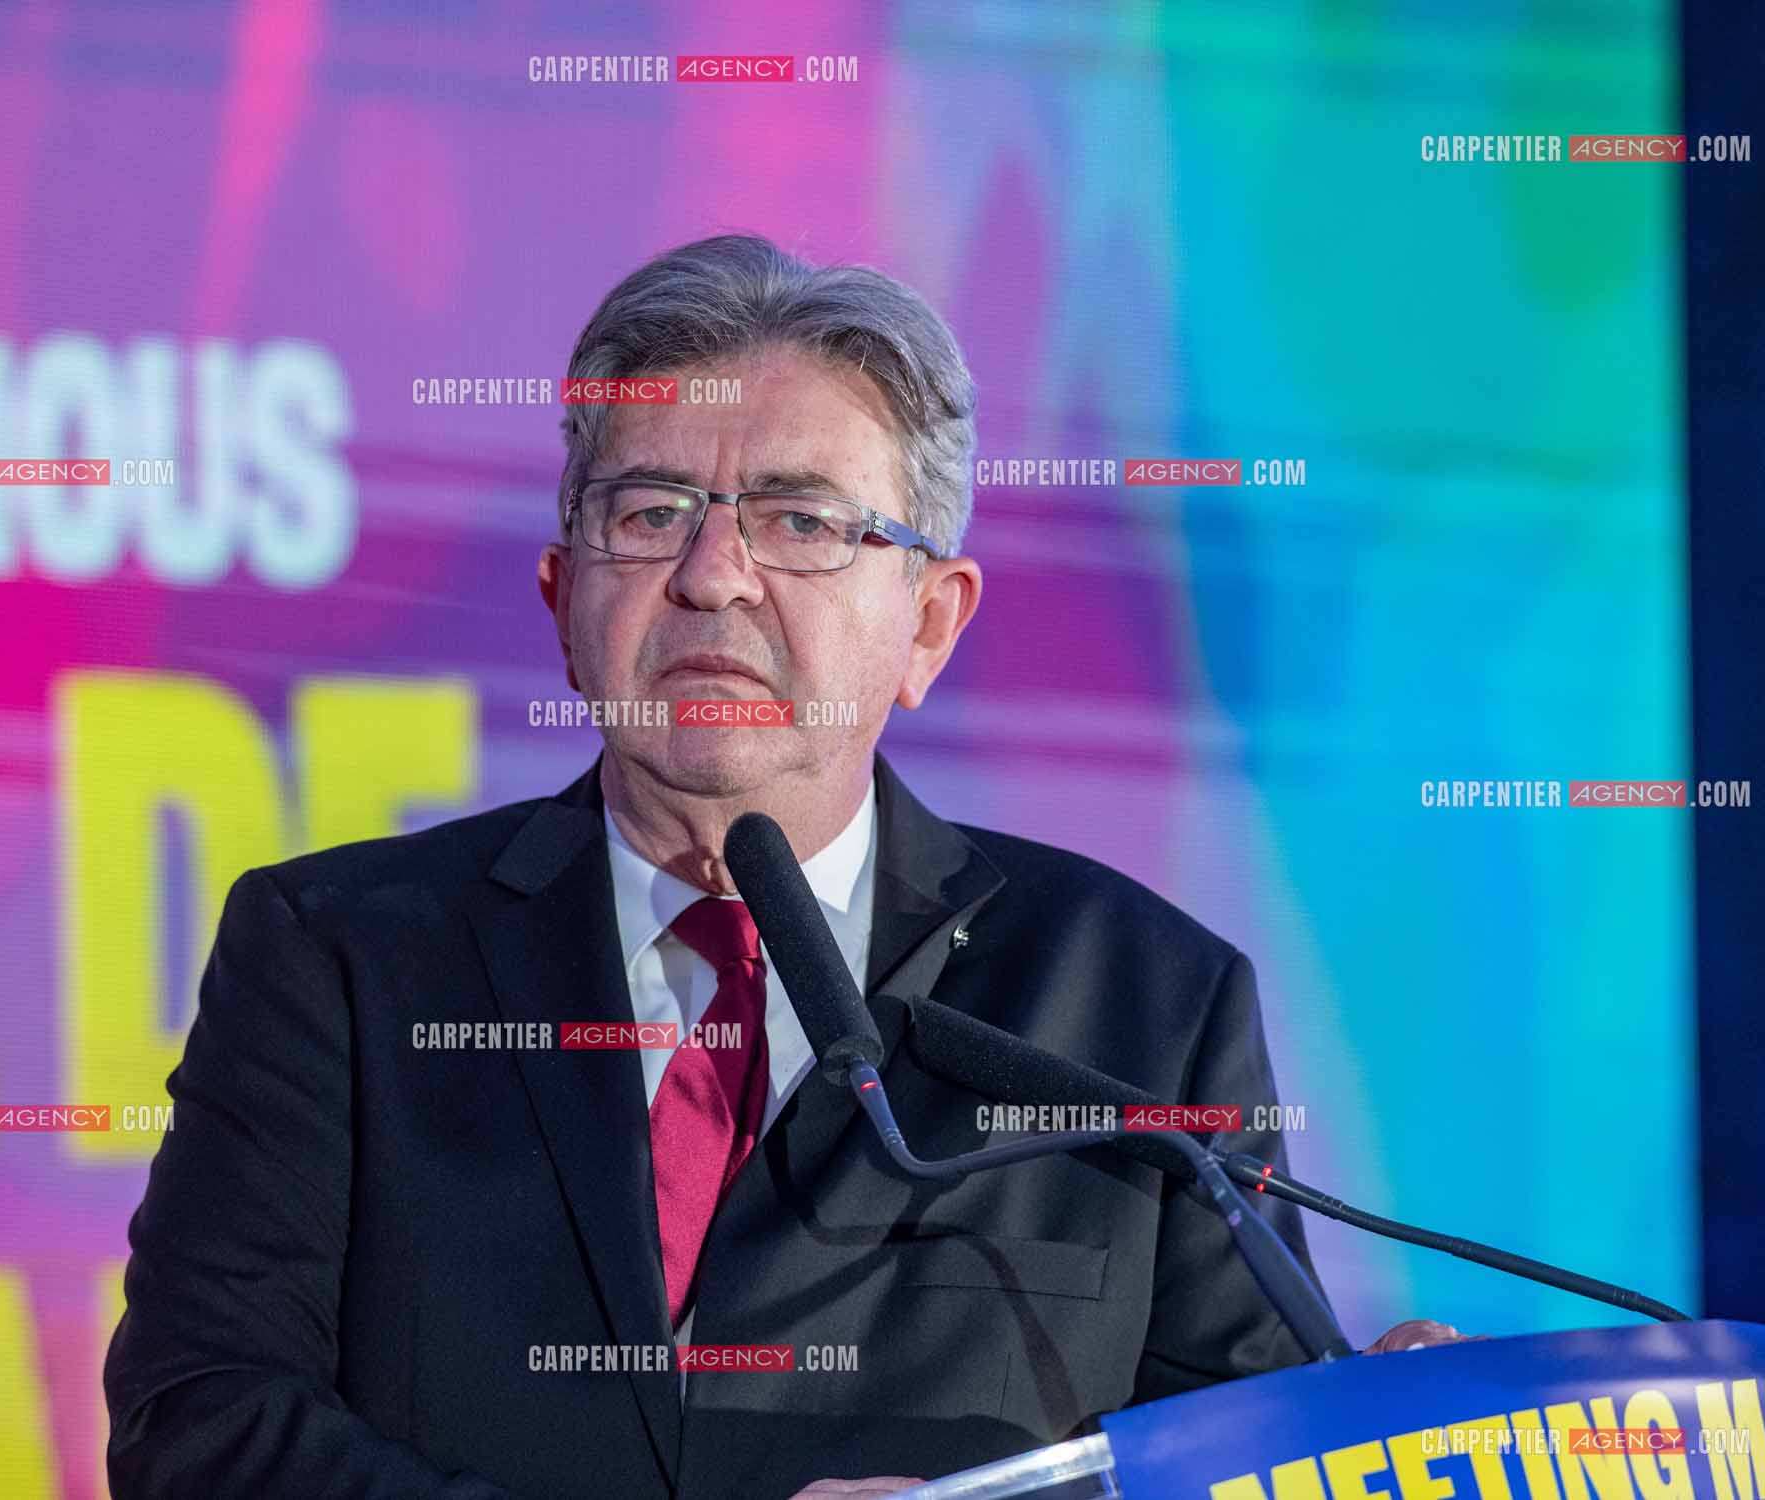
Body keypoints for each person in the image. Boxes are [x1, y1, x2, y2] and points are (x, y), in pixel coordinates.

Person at [105, 234, 1413, 1500]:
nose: (713, 576)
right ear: (565, 600)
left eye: (801, 521)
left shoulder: (1142, 1004)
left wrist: (1382, 1439)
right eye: (651, 510)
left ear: (928, 624)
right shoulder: (340, 955)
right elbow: (204, 1427)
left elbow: (1238, 1462)